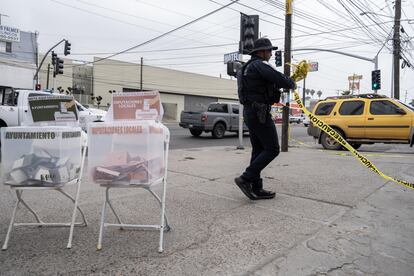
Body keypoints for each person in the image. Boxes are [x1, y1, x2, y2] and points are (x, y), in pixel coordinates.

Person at [234, 37, 296, 200]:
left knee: (259, 150)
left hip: (251, 112)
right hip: (259, 112)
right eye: (269, 50)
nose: (270, 53)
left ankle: (256, 187)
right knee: (273, 149)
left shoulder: (245, 68)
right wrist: (292, 82)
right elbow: (282, 80)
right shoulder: (260, 65)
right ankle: (246, 178)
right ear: (261, 52)